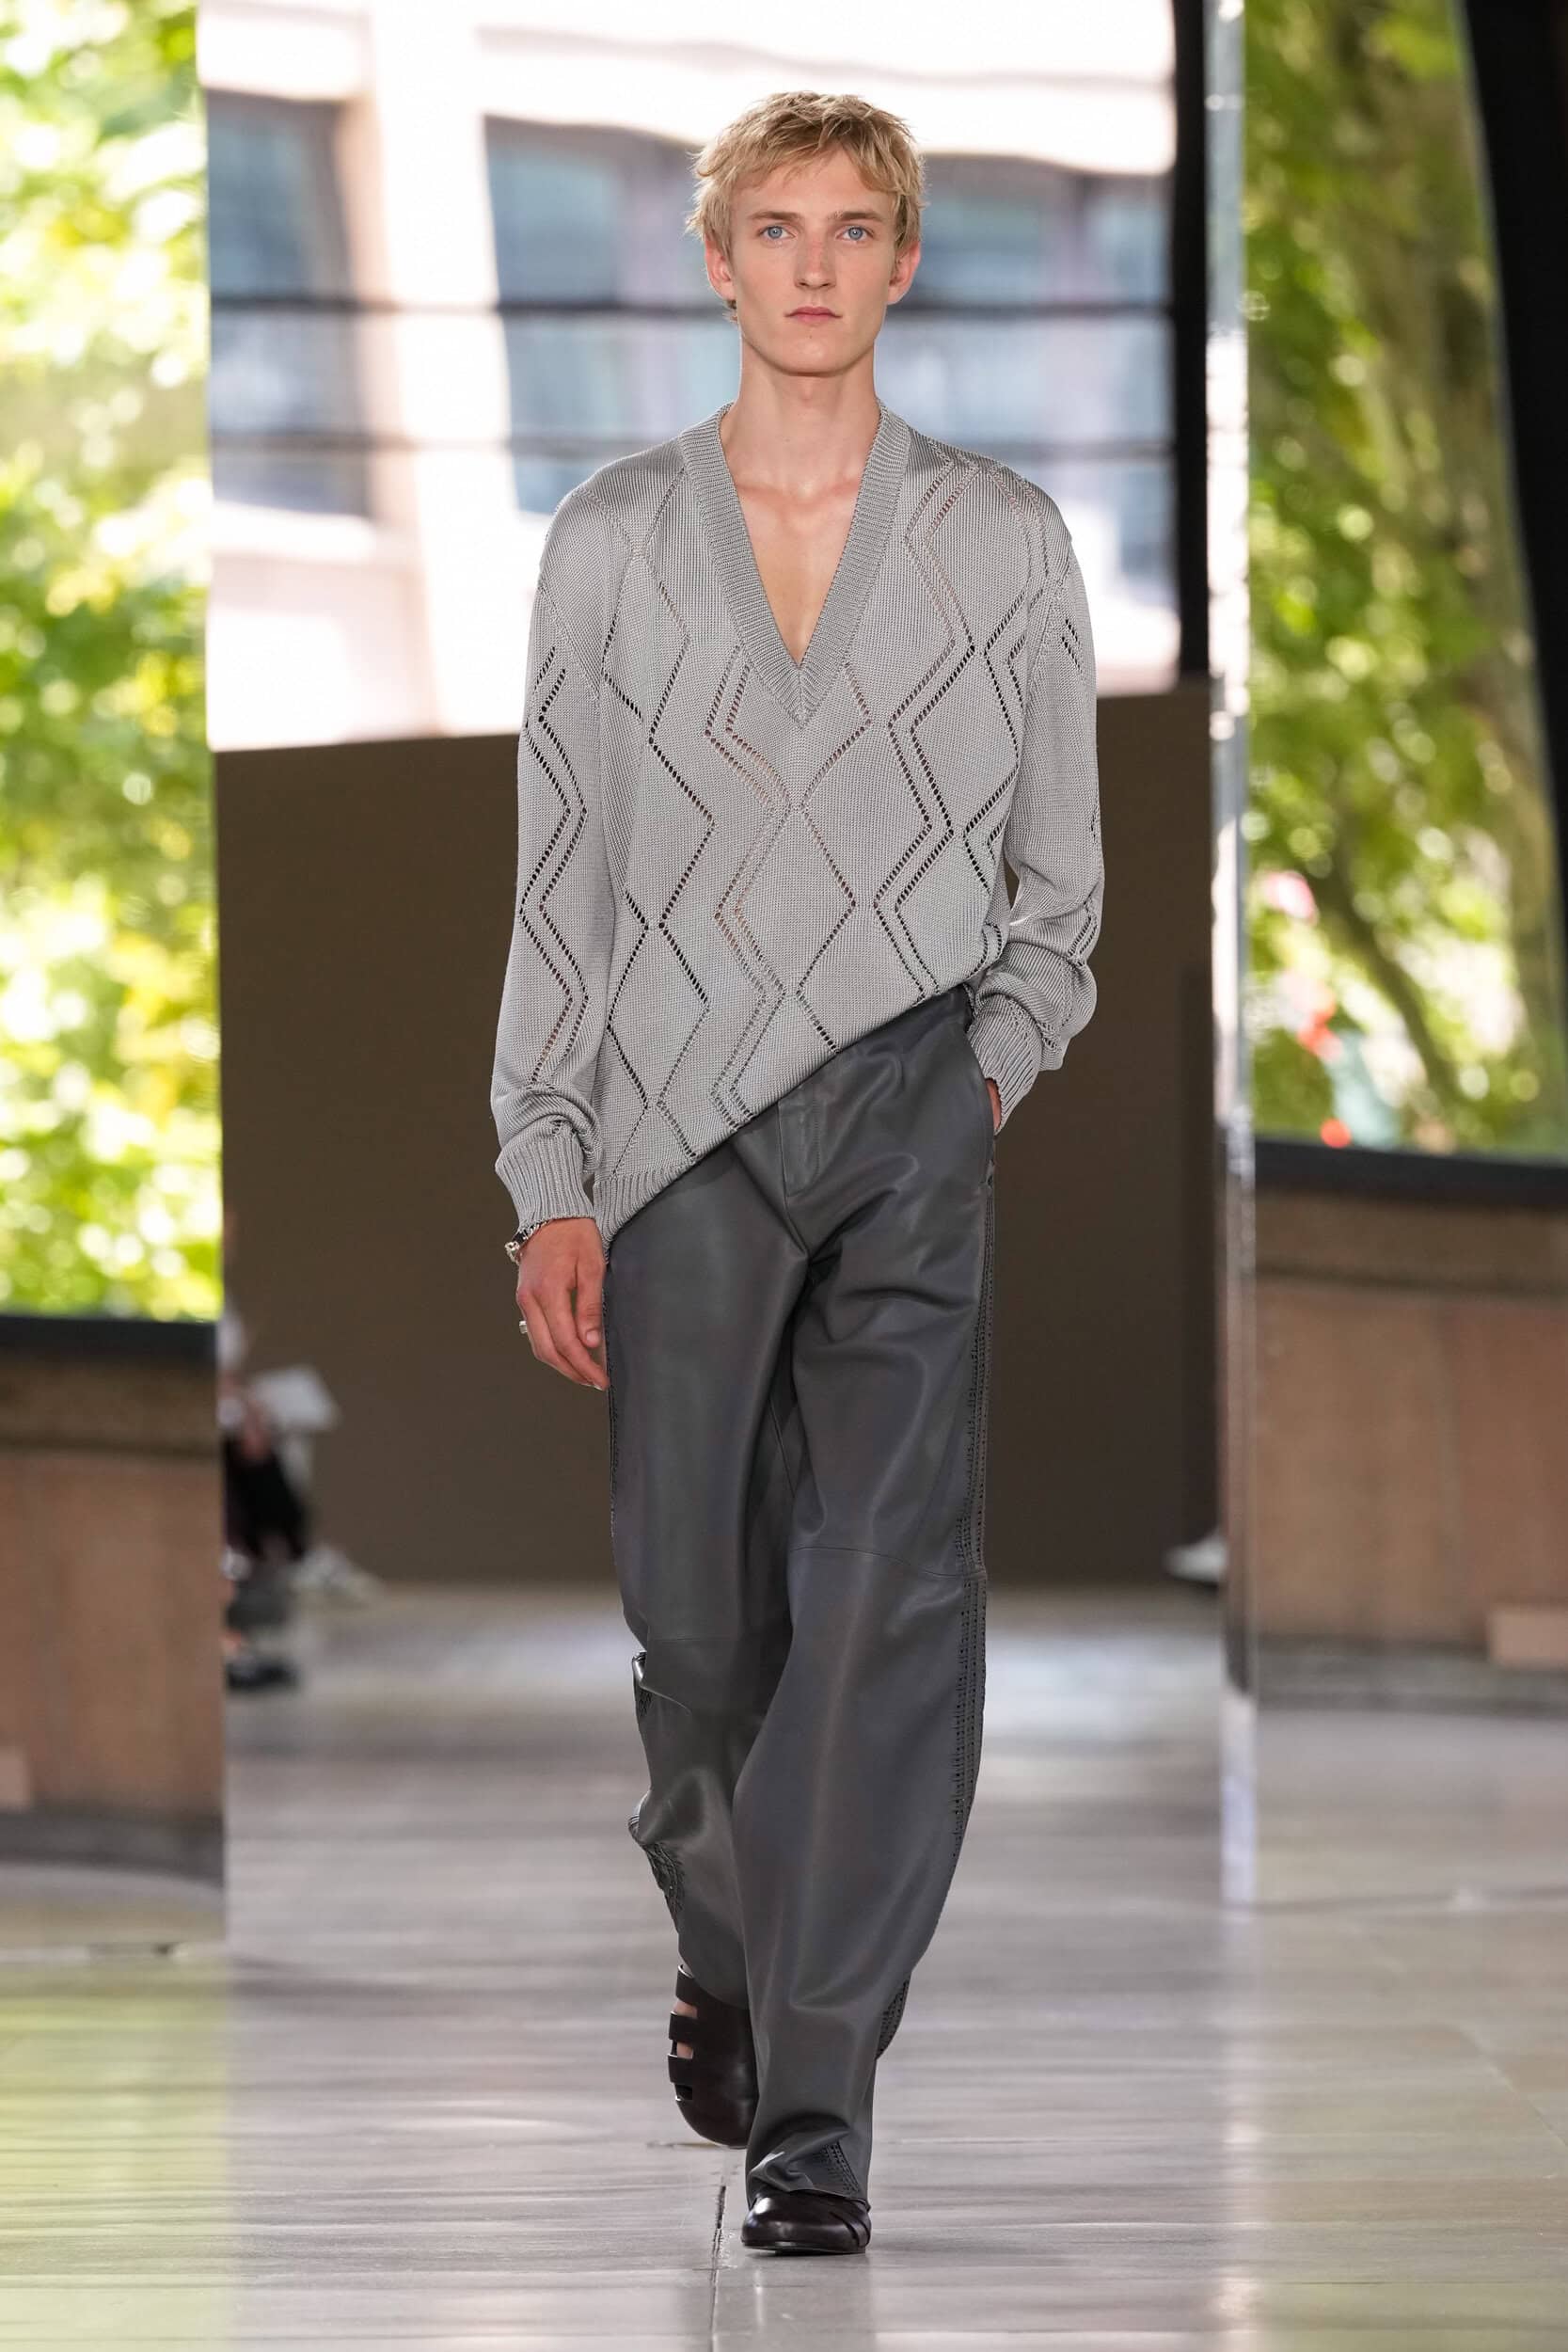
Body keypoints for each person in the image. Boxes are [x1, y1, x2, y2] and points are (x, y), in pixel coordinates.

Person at [490, 88, 1103, 2256]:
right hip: (670, 1137)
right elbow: (560, 880)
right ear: (717, 257)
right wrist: (550, 1164)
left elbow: (1057, 892)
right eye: (776, 227)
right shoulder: (607, 540)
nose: (816, 264)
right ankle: (730, 1949)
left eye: (855, 228)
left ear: (905, 260)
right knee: (697, 1630)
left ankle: (819, 2109)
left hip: (909, 1112)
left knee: (888, 1606)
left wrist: (976, 1080)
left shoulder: (1006, 541)